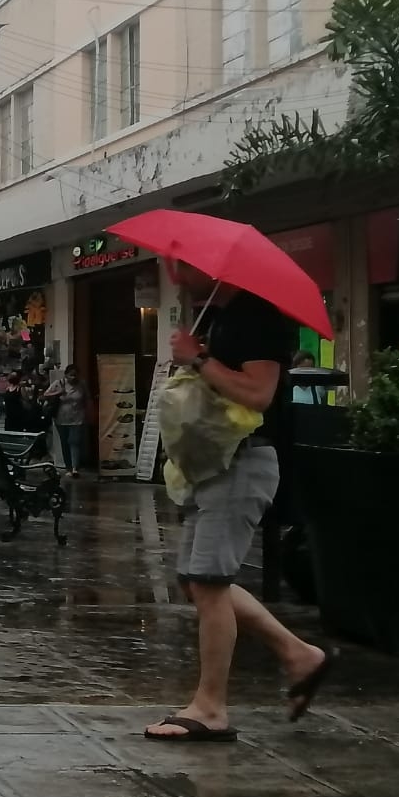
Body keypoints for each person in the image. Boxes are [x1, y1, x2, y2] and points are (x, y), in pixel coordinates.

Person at [145, 260, 336, 743]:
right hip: (217, 465)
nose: (177, 279)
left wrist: (199, 360)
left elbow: (259, 393)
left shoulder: (257, 316)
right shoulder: (222, 316)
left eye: (182, 269)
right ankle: (300, 655)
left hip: (242, 464)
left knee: (209, 584)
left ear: (211, 268)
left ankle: (211, 707)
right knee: (196, 581)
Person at [44, 364, 89, 475]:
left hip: (77, 418)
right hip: (61, 418)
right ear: (66, 375)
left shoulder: (82, 384)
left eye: (75, 375)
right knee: (65, 442)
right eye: (71, 375)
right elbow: (45, 394)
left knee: (74, 442)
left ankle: (75, 468)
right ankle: (68, 467)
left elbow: (87, 398)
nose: (73, 377)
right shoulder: (59, 383)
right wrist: (58, 393)